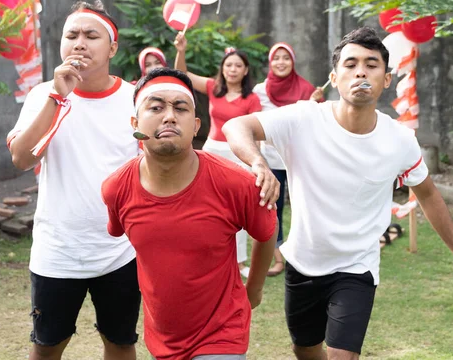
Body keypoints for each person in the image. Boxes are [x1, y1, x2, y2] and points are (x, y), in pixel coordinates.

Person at [222, 27, 453, 360]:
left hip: (357, 268)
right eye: (351, 64)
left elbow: (428, 195)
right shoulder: (304, 118)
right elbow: (236, 126)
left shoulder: (399, 140)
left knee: (343, 355)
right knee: (305, 349)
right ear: (334, 76)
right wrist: (258, 162)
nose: (361, 71)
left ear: (386, 79)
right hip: (303, 263)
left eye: (371, 64)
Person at [101, 67, 278, 360]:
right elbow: (120, 232)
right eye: (156, 107)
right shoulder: (116, 188)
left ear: (196, 126)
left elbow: (266, 230)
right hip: (162, 339)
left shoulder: (238, 184)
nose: (169, 116)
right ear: (135, 122)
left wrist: (254, 289)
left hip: (223, 333)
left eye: (180, 108)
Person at [7, 0, 141, 360]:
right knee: (47, 347)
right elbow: (21, 158)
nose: (80, 43)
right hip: (58, 251)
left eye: (91, 35)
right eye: (72, 35)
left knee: (120, 343)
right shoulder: (42, 95)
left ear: (112, 47)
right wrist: (57, 96)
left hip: (120, 252)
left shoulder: (136, 100)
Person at [174, 31, 263, 278]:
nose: (232, 69)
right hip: (213, 150)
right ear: (222, 69)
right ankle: (203, 253)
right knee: (204, 204)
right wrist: (181, 50)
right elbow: (183, 76)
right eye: (229, 65)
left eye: (238, 66)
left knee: (239, 207)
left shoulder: (252, 98)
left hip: (240, 153)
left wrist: (257, 161)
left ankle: (240, 261)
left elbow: (255, 133)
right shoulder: (214, 88)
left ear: (245, 71)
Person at [253, 42, 325, 276]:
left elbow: (316, 123)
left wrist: (316, 104)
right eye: (277, 58)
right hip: (270, 159)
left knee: (305, 205)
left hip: (299, 157)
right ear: (270, 62)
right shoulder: (259, 90)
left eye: (286, 58)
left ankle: (306, 252)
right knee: (272, 207)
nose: (281, 62)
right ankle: (277, 258)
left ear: (293, 62)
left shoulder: (307, 90)